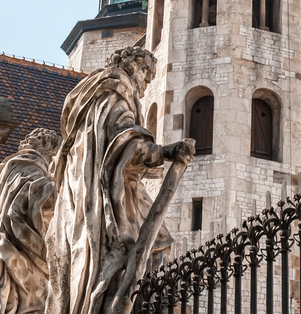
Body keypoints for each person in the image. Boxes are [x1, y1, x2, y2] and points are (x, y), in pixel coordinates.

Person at [45, 48, 194, 314]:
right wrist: (164, 152)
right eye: (145, 74)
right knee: (149, 248)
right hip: (102, 198)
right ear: (131, 66)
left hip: (81, 193)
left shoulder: (92, 96)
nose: (145, 83)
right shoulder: (115, 94)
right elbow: (124, 142)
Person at [0, 128, 61, 314]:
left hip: (1, 249)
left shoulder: (9, 169)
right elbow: (33, 202)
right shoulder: (28, 167)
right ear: (50, 151)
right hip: (17, 252)